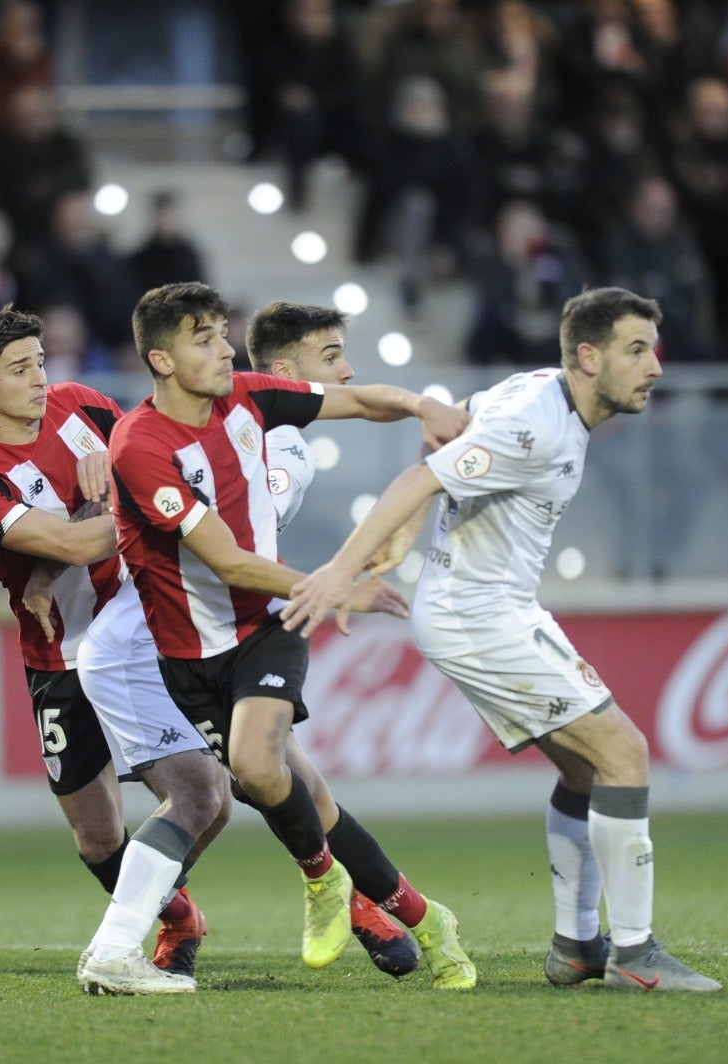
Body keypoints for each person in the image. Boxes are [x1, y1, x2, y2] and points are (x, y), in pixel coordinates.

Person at [282, 287, 722, 992]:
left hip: (496, 607)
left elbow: (452, 430)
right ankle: (634, 956)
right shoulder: (536, 426)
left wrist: (402, 531)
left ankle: (577, 947)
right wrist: (340, 569)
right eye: (636, 350)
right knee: (625, 752)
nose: (656, 366)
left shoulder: (532, 393)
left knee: (585, 771)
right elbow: (420, 473)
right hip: (478, 616)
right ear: (587, 355)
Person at [107, 282, 477, 988]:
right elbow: (226, 559)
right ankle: (430, 921)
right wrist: (336, 582)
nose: (224, 348)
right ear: (160, 359)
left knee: (252, 767)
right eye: (203, 338)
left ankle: (322, 882)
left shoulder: (248, 399)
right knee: (309, 797)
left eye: (222, 333)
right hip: (188, 655)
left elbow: (363, 401)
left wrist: (422, 404)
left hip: (266, 626)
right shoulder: (142, 446)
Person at [0, 305, 230, 995]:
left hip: (137, 640)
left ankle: (149, 915)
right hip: (58, 659)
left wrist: (130, 485)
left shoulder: (82, 407)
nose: (40, 378)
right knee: (98, 839)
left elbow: (153, 452)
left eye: (40, 361)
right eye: (19, 369)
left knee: (206, 797)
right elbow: (71, 544)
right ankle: (175, 911)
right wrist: (124, 510)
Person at [244, 300, 434, 980]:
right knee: (280, 787)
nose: (348, 370)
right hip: (151, 632)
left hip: (219, 632)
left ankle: (377, 905)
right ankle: (380, 905)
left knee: (261, 784)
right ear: (284, 370)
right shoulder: (212, 424)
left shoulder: (286, 446)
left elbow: (231, 539)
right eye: (332, 359)